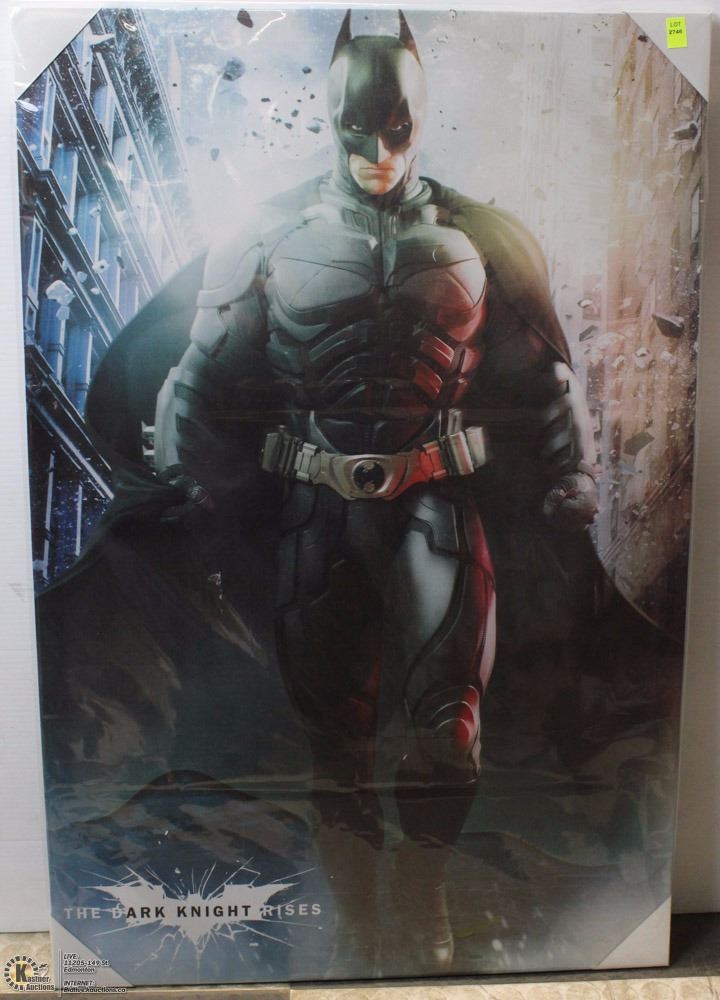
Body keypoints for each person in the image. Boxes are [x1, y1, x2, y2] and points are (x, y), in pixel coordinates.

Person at [147, 10, 599, 972]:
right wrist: (186, 475)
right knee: (337, 749)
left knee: (453, 736)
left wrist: (574, 470)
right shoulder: (269, 235)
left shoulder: (481, 237)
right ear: (330, 122)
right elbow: (200, 374)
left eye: (397, 131)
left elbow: (546, 378)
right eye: (359, 132)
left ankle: (421, 890)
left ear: (420, 120)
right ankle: (360, 914)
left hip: (438, 506)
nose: (378, 155)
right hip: (317, 512)